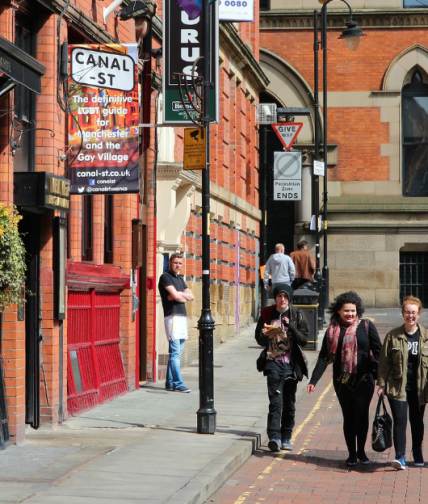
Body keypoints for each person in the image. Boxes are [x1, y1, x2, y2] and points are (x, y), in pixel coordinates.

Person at [307, 291, 382, 466]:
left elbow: (379, 353)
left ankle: (361, 452)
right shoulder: (332, 330)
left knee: (362, 415)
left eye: (353, 311)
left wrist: (383, 380)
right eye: (346, 310)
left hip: (364, 379)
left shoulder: (366, 326)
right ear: (338, 311)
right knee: (348, 417)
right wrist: (313, 380)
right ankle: (351, 454)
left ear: (358, 311)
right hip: (342, 381)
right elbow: (324, 357)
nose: (350, 314)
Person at [255, 283, 309, 452]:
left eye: (285, 296)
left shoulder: (297, 314)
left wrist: (291, 326)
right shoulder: (267, 314)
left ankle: (286, 436)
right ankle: (274, 437)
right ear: (275, 298)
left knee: (289, 405)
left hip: (291, 367)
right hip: (273, 364)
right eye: (279, 296)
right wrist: (264, 336)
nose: (282, 299)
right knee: (275, 403)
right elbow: (258, 338)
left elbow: (304, 340)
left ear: (289, 298)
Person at [377, 295, 428, 470]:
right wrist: (381, 384)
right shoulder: (393, 336)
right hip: (398, 386)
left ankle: (417, 451)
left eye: (414, 312)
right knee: (400, 420)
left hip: (420, 388)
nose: (410, 316)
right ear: (403, 313)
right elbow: (384, 362)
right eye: (407, 312)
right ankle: (400, 456)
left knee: (417, 420)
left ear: (419, 314)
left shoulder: (426, 337)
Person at [158, 253, 195, 393]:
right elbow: (174, 296)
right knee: (175, 353)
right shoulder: (165, 277)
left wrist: (180, 295)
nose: (178, 265)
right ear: (170, 263)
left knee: (177, 353)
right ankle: (178, 383)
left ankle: (170, 382)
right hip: (172, 317)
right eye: (175, 263)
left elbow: (191, 297)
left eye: (180, 263)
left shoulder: (179, 279)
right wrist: (179, 295)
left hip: (181, 317)